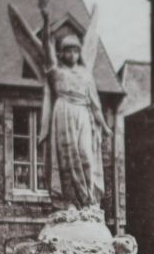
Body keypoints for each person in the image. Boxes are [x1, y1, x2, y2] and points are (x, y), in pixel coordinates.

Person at [42, 28, 110, 212]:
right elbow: (47, 51)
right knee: (66, 160)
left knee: (86, 155)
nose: (72, 54)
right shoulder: (56, 72)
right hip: (63, 111)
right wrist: (46, 20)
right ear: (62, 53)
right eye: (68, 50)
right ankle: (69, 201)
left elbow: (95, 103)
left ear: (79, 53)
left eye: (75, 50)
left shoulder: (86, 74)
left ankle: (88, 200)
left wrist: (104, 126)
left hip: (82, 113)